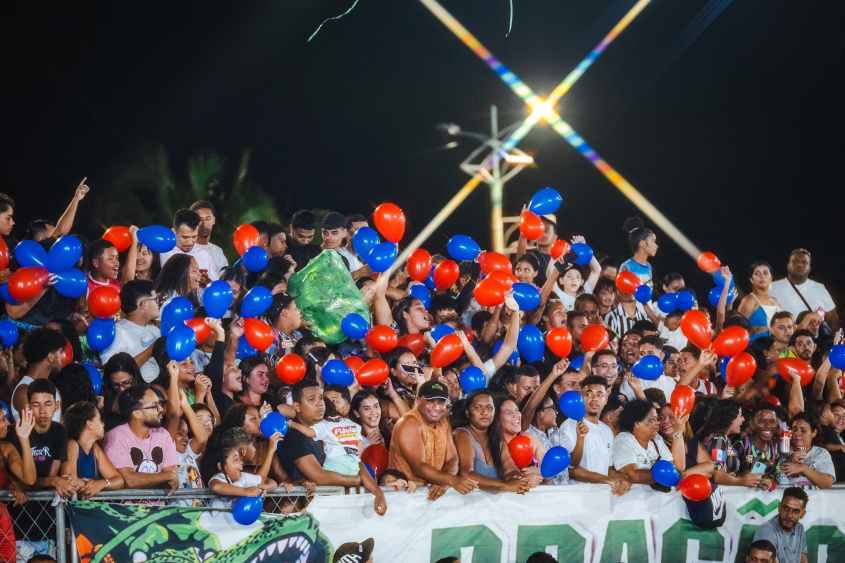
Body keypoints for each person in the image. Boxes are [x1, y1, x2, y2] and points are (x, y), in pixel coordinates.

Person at [278, 379, 387, 514]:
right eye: (312, 399)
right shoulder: (294, 437)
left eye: (321, 398)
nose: (320, 403)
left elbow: (354, 462)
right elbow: (319, 476)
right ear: (297, 406)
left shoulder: (330, 427)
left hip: (334, 508)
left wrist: (378, 492)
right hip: (306, 511)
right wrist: (353, 480)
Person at [10, 380, 72, 562]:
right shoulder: (17, 432)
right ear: (28, 407)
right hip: (19, 519)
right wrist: (51, 482)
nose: (42, 411)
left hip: (48, 521)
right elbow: (22, 479)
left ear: (57, 405)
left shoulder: (60, 431)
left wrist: (51, 481)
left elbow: (50, 477)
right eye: (36, 405)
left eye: (48, 404)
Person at [388, 381, 478, 501]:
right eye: (430, 401)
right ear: (419, 400)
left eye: (441, 402)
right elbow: (418, 467)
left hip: (430, 493)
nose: (436, 407)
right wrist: (451, 480)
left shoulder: (444, 422)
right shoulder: (409, 422)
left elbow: (452, 459)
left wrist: (442, 481)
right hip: (405, 495)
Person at [453, 389, 536, 492]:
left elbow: (509, 469)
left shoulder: (497, 436)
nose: (485, 412)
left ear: (494, 411)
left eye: (489, 408)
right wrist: (505, 485)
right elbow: (466, 474)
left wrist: (518, 480)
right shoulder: (462, 434)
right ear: (467, 412)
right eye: (478, 408)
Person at [103, 384, 180, 496]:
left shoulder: (163, 434)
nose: (161, 409)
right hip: (128, 511)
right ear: (137, 414)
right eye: (155, 406)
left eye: (160, 404)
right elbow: (128, 481)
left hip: (161, 509)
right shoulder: (117, 436)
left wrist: (143, 480)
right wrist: (165, 476)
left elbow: (172, 480)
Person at [563, 377, 631, 493]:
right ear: (581, 397)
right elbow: (570, 469)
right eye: (589, 394)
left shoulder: (606, 430)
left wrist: (621, 478)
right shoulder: (569, 425)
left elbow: (607, 468)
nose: (594, 399)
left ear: (606, 399)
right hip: (577, 496)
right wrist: (606, 479)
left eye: (600, 395)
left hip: (601, 497)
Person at [612, 399, 685, 484]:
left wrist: (678, 432)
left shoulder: (657, 439)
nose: (658, 422)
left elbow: (676, 467)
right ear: (637, 424)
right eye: (652, 420)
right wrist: (666, 476)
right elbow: (633, 475)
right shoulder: (623, 440)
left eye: (657, 419)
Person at [101, 280, 161, 382]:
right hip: (135, 392)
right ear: (143, 304)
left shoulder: (154, 330)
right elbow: (111, 370)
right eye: (155, 299)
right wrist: (150, 351)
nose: (158, 302)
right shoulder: (119, 331)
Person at [60, 401, 123, 498]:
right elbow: (69, 482)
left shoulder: (94, 448)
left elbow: (119, 480)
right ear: (89, 424)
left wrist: (101, 484)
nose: (103, 425)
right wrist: (92, 484)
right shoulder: (72, 445)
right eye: (99, 420)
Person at [769, 249, 839, 332]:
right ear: (788, 266)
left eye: (804, 262)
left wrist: (836, 343)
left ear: (809, 268)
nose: (799, 264)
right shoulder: (772, 287)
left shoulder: (819, 288)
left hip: (815, 343)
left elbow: (833, 320)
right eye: (795, 261)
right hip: (786, 342)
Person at [0, 403, 36, 563]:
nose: (8, 423)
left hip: (2, 522)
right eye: (2, 419)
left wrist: (24, 438)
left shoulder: (6, 448)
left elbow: (29, 479)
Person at [12, 328, 65, 422]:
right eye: (59, 352)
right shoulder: (23, 391)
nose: (62, 356)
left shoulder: (55, 390)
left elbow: (59, 429)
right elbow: (36, 431)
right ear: (51, 357)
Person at [206, 442, 278, 510]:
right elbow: (216, 487)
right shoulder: (220, 477)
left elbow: (272, 482)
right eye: (236, 459)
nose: (241, 462)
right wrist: (246, 491)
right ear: (221, 466)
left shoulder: (242, 477)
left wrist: (264, 487)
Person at [159, 208, 219, 282]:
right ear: (174, 232)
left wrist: (207, 281)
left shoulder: (204, 254)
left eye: (194, 236)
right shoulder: (163, 252)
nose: (190, 242)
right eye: (185, 237)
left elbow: (216, 283)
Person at [753, 486, 809, 563]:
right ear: (779, 507)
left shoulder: (800, 528)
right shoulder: (767, 530)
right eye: (786, 508)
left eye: (795, 511)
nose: (789, 515)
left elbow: (803, 560)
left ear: (802, 514)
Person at [780, 412, 835, 488]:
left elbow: (827, 484)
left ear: (814, 433)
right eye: (794, 429)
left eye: (803, 431)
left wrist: (803, 468)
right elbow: (775, 478)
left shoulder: (821, 453)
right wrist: (788, 460)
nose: (797, 433)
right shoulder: (784, 452)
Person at [734, 402, 784, 485]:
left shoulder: (775, 448)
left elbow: (777, 480)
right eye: (762, 421)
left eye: (772, 421)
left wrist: (768, 481)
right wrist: (742, 478)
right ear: (753, 424)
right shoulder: (741, 446)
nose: (767, 425)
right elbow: (728, 476)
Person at [738, 261, 781, 341]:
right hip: (756, 348)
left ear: (771, 278)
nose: (762, 276)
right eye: (757, 274)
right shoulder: (749, 300)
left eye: (765, 273)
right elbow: (738, 328)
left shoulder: (775, 301)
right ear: (751, 279)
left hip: (775, 350)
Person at [190, 201, 228, 272]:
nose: (204, 223)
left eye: (207, 219)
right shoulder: (185, 249)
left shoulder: (217, 252)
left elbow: (225, 278)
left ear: (213, 220)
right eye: (199, 220)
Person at [619, 216, 657, 288]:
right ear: (643, 243)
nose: (656, 246)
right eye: (653, 241)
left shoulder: (649, 266)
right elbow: (622, 292)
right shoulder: (627, 266)